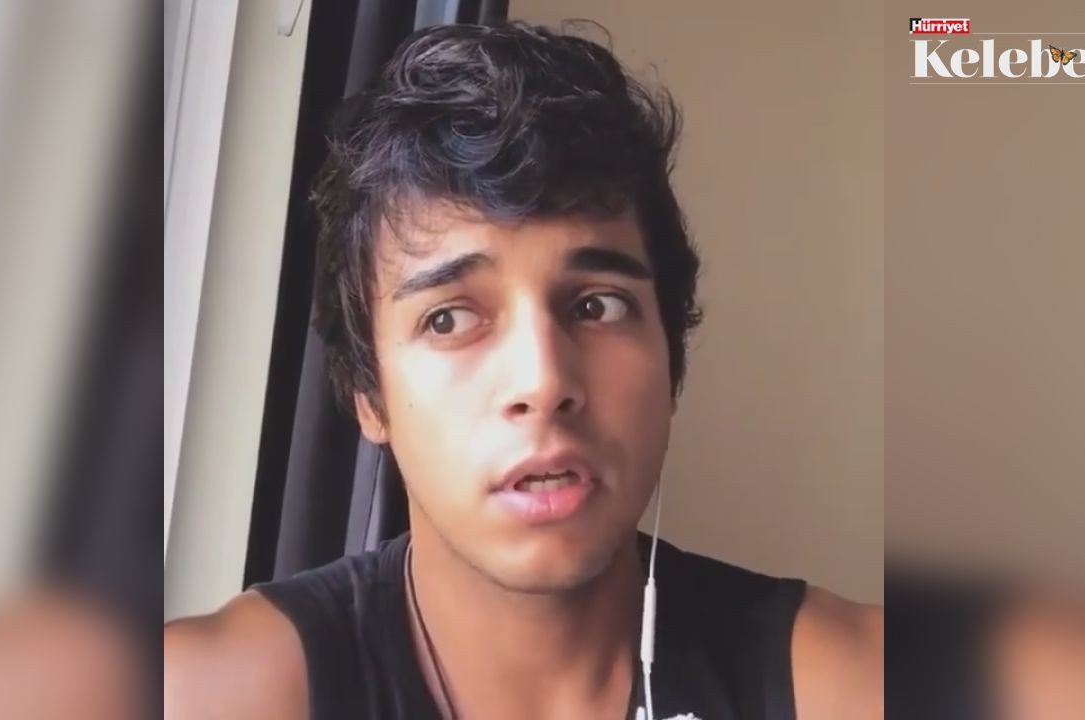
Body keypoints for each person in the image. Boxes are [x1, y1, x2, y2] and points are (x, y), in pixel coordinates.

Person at [165, 21, 882, 720]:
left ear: (670, 353)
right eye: (449, 319)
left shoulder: (854, 684)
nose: (543, 382)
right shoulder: (208, 693)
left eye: (598, 306)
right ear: (368, 392)